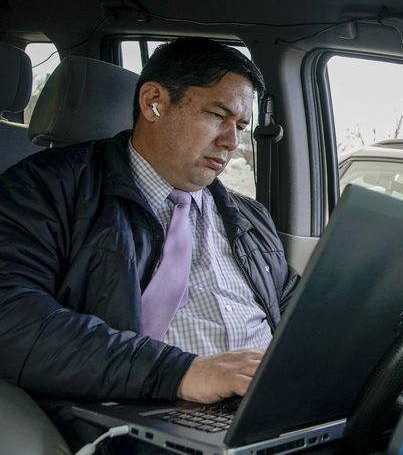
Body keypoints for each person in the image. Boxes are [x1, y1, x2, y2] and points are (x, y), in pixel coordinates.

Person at [0, 38, 299, 441]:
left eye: (240, 126)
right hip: (143, 421)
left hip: (260, 416)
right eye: (217, 114)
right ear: (154, 101)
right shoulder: (44, 189)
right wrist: (182, 373)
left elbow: (295, 309)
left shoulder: (250, 219)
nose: (232, 142)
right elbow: (11, 316)